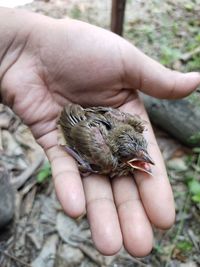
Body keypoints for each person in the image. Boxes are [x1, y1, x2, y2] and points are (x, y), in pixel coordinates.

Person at [0, 7, 200, 257]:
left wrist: (15, 46)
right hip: (76, 122)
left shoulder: (135, 125)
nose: (144, 159)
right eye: (133, 158)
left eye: (140, 152)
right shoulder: (107, 158)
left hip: (90, 118)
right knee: (97, 166)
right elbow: (78, 124)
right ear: (119, 155)